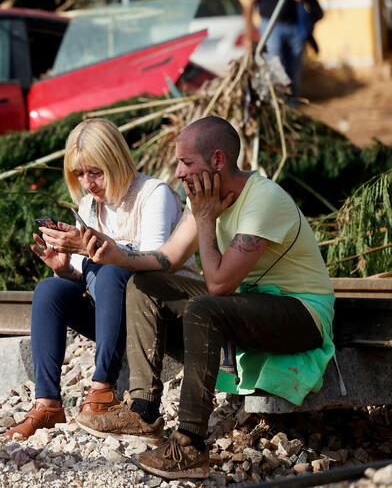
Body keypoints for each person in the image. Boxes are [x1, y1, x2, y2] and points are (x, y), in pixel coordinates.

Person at [75, 116, 335, 481]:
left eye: (186, 163)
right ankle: (143, 410)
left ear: (217, 160)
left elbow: (218, 286)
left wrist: (206, 220)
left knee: (203, 307)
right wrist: (113, 253)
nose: (178, 173)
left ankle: (190, 445)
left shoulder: (263, 200)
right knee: (145, 284)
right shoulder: (205, 198)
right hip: (249, 303)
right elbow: (167, 259)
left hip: (301, 313)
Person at [3, 118, 199, 440]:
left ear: (116, 161)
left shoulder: (154, 194)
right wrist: (65, 268)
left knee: (112, 271)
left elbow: (155, 264)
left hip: (163, 315)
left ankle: (102, 389)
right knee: (50, 289)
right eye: (80, 174)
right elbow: (88, 279)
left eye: (95, 172)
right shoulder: (89, 206)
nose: (88, 183)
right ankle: (48, 402)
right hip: (117, 314)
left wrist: (95, 249)